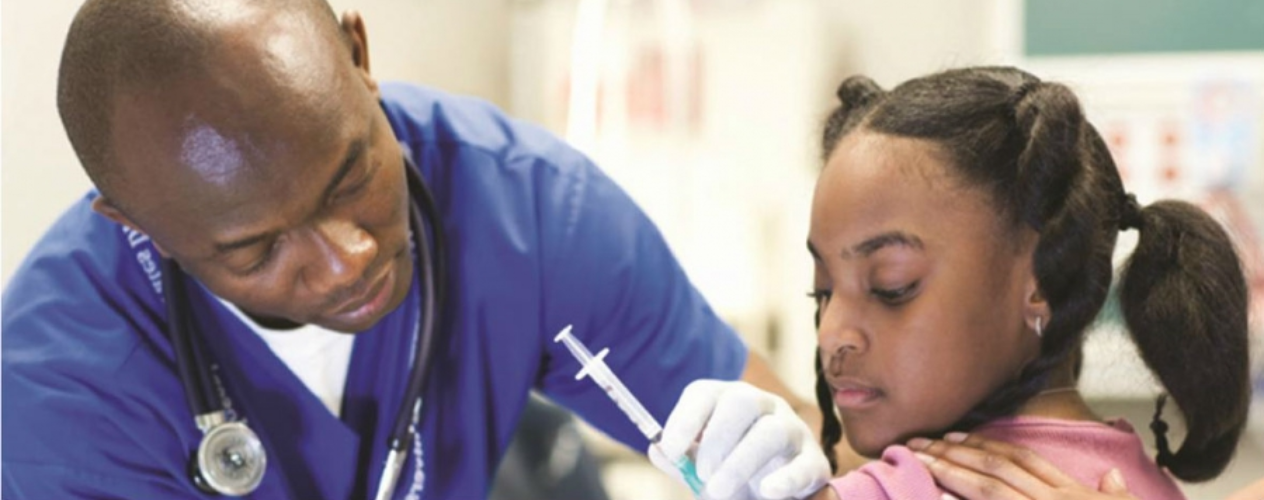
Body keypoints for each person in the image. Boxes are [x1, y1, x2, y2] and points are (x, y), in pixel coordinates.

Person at [0, 0, 829, 498]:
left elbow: (797, 439)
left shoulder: (528, 209)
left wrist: (788, 457)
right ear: (141, 226)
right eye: (256, 250)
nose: (349, 258)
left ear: (359, 57)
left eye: (351, 174)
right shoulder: (58, 396)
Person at [650, 66, 1251, 500]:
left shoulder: (916, 486)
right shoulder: (1142, 481)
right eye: (822, 290)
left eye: (891, 287)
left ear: (1038, 280)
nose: (832, 333)